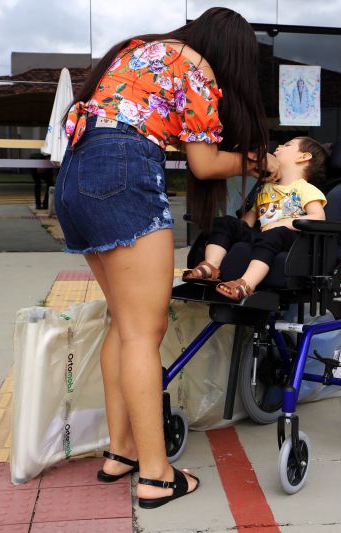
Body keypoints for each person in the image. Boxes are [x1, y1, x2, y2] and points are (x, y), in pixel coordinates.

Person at [53, 7, 278, 508]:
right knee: (142, 332)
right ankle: (156, 476)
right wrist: (255, 161)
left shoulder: (141, 50)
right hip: (122, 173)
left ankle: (123, 452)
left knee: (123, 323)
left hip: (74, 177)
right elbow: (203, 163)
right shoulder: (195, 65)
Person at [182, 136, 328, 300]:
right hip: (263, 235)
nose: (278, 148)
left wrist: (281, 224)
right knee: (226, 222)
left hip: (290, 239)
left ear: (304, 157)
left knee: (274, 234)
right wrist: (233, 229)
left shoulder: (305, 188)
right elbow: (247, 222)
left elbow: (318, 217)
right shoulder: (263, 189)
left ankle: (246, 284)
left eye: (287, 145)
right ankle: (211, 267)